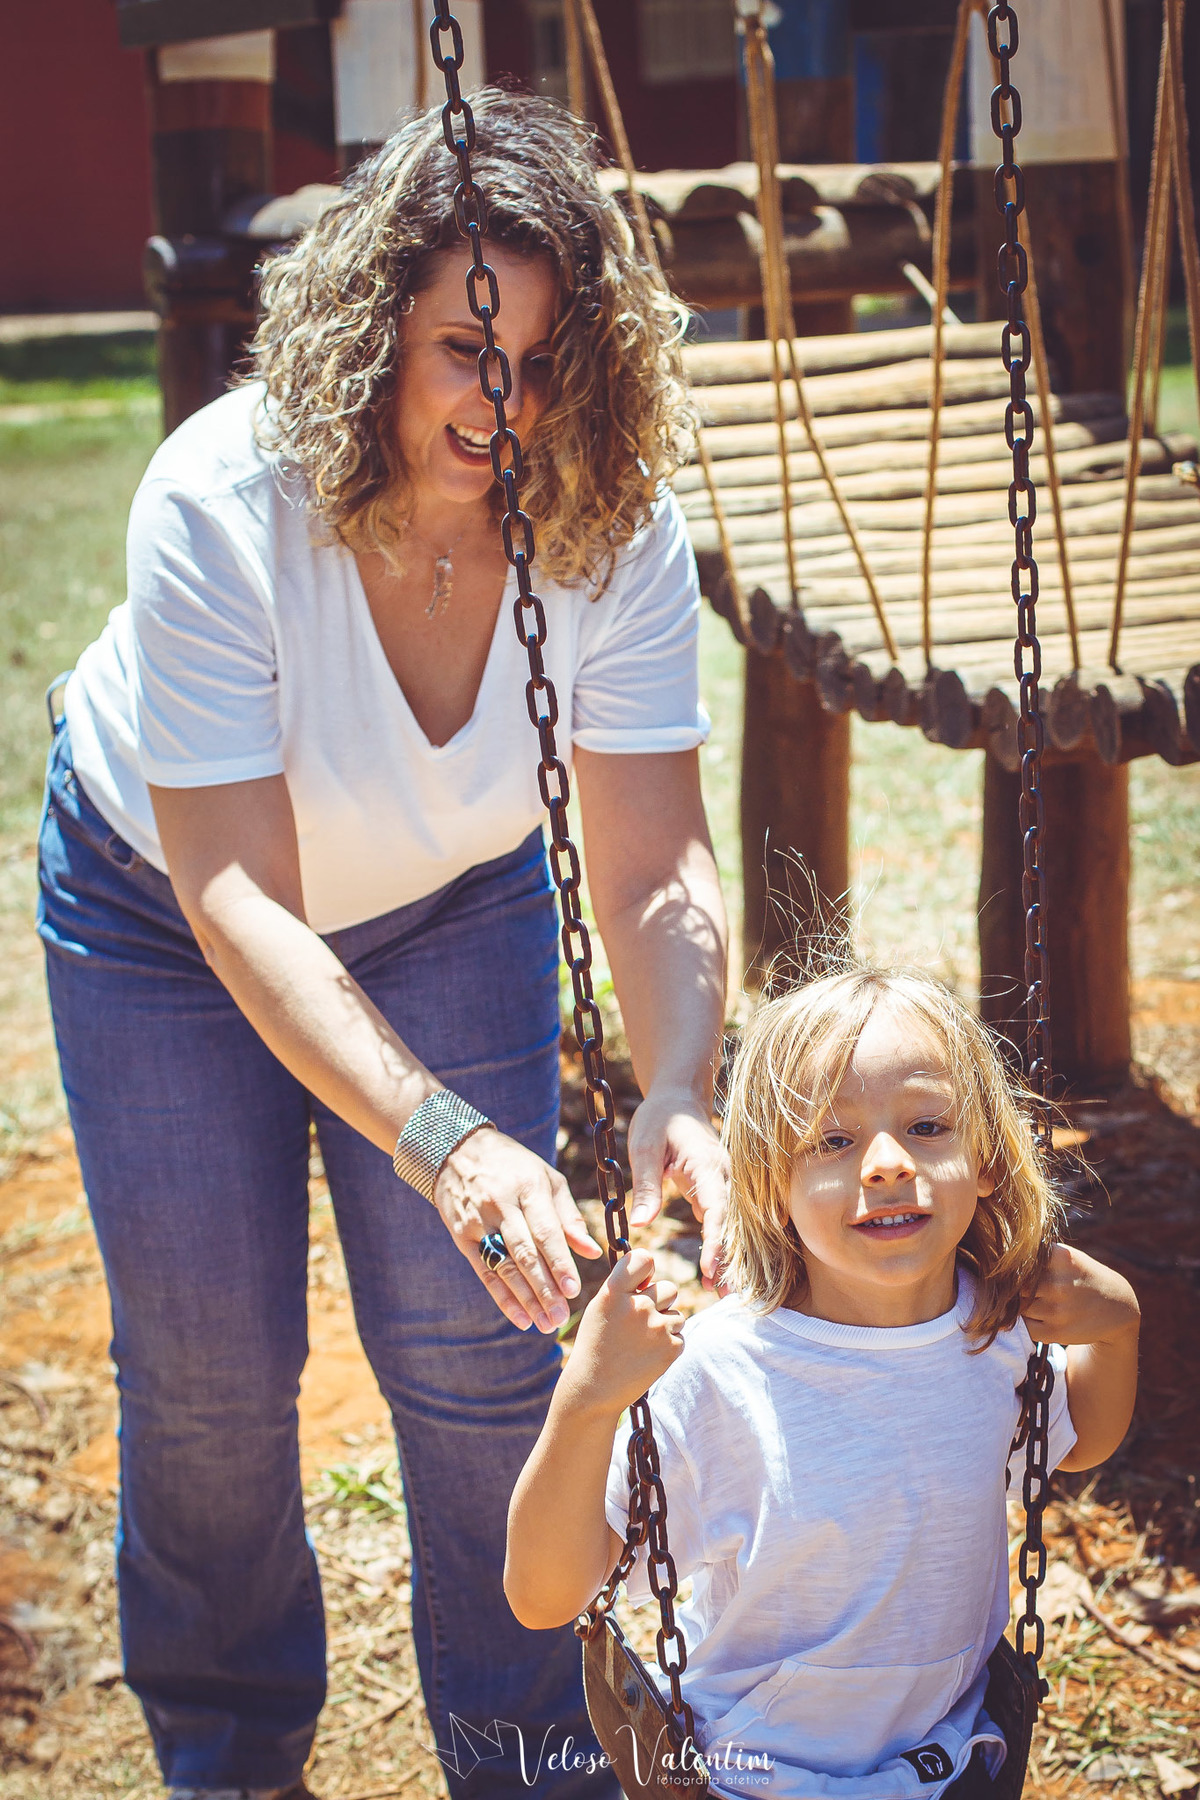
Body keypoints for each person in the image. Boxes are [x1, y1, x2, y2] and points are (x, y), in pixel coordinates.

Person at [37, 92, 730, 1800]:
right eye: (460, 352)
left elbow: (656, 864)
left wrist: (686, 1083)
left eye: (554, 360)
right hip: (162, 917)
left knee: (487, 1355)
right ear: (374, 337)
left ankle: (528, 1756)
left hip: (444, 901)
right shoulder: (224, 499)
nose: (508, 405)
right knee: (211, 1375)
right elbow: (236, 899)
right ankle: (231, 1754)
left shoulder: (617, 524)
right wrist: (447, 1140)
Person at [506, 966, 1140, 1797]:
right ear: (770, 1187)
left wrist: (1117, 1326)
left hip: (937, 1759)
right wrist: (585, 1404)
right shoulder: (723, 1372)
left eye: (925, 1125)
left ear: (986, 1156)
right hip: (750, 1773)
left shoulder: (998, 1326)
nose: (884, 1163)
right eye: (833, 1141)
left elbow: (1080, 1441)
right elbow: (544, 1597)